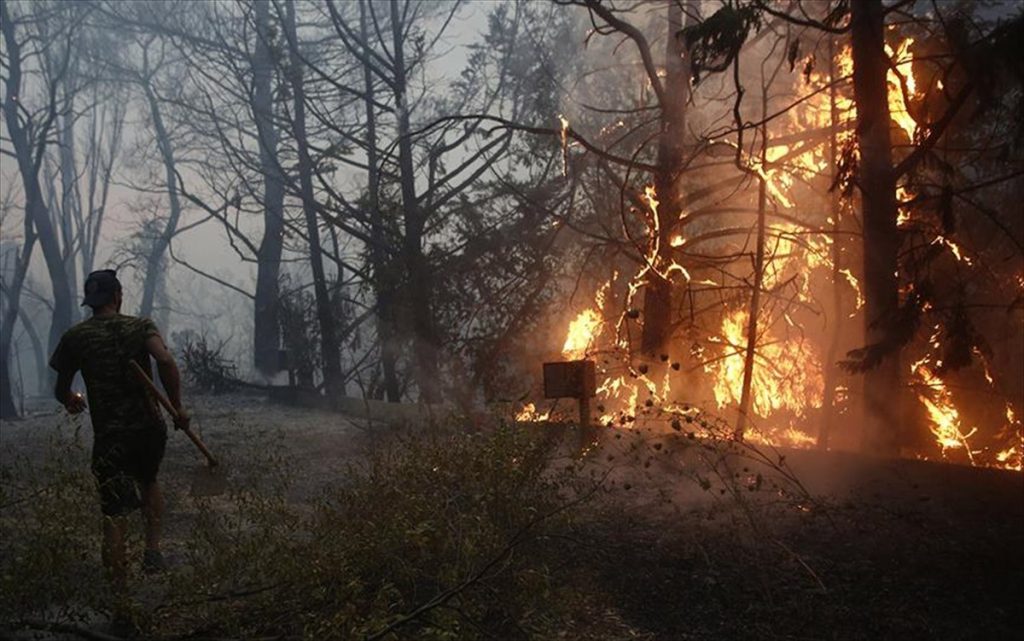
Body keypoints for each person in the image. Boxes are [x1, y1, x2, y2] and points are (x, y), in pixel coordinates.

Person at [49, 269, 190, 597]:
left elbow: (60, 388)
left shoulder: (75, 338)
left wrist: (71, 400)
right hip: (148, 428)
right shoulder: (140, 326)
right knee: (149, 480)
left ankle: (120, 595)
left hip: (110, 436)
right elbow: (166, 360)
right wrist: (178, 407)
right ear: (117, 296)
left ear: (91, 302)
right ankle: (152, 549)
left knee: (114, 512)